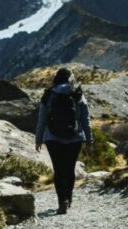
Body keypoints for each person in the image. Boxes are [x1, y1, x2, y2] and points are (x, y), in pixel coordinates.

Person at [35, 67, 93, 215]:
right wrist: (89, 141)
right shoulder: (77, 94)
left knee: (59, 170)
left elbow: (42, 120)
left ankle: (62, 202)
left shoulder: (48, 95)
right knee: (69, 169)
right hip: (75, 138)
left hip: (52, 138)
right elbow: (85, 120)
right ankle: (69, 197)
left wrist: (38, 139)